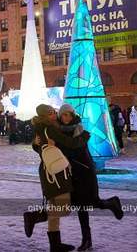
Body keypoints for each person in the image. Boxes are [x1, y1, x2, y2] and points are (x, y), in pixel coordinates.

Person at [56, 104, 123, 251]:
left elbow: (74, 151)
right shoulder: (58, 131)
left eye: (68, 115)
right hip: (72, 175)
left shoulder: (79, 131)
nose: (66, 118)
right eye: (63, 115)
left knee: (91, 203)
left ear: (72, 115)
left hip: (85, 173)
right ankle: (87, 240)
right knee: (81, 207)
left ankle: (111, 204)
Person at [25, 104, 90, 252]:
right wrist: (85, 136)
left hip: (47, 170)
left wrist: (35, 145)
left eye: (54, 112)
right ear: (44, 116)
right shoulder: (50, 129)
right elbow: (71, 143)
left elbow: (39, 147)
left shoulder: (40, 128)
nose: (55, 115)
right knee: (63, 208)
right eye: (51, 113)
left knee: (55, 207)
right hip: (57, 173)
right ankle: (34, 217)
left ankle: (55, 245)